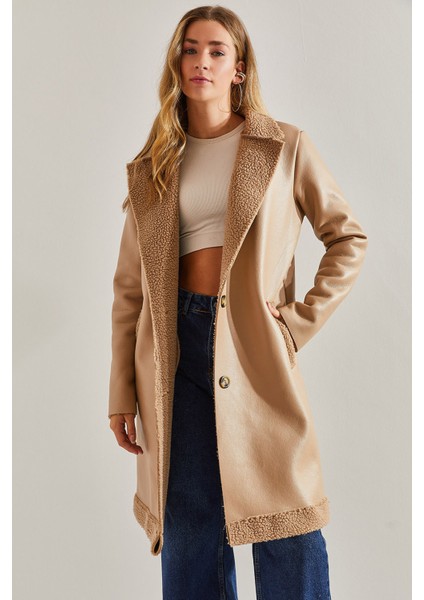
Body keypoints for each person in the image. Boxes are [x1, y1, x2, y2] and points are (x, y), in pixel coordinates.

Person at [108, 5, 368, 599]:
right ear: (176, 63)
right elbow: (129, 290)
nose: (201, 61)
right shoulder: (153, 166)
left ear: (240, 68)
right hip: (172, 355)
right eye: (190, 49)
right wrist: (121, 389)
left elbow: (347, 238)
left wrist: (298, 323)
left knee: (288, 526)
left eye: (216, 51)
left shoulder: (283, 147)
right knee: (190, 529)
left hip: (254, 346)